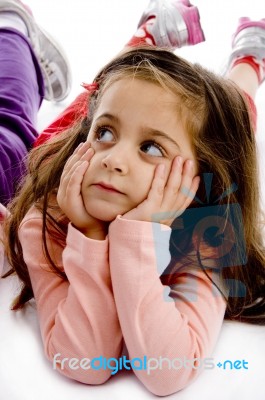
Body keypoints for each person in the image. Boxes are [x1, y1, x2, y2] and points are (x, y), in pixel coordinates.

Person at [1, 0, 265, 397]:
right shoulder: (48, 217)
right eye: (104, 135)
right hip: (59, 157)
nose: (114, 161)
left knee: (229, 112)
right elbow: (87, 362)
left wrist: (140, 235)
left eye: (151, 148)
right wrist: (89, 235)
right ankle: (144, 40)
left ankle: (249, 61)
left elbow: (166, 369)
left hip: (175, 175)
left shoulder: (206, 233)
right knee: (107, 97)